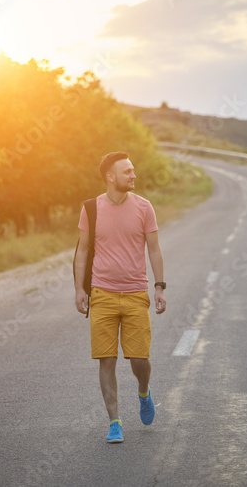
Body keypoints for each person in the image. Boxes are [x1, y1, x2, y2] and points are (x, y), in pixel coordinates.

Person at [74, 152, 166, 443]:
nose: (133, 175)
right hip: (102, 294)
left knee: (140, 358)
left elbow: (153, 249)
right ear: (110, 177)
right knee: (107, 359)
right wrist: (79, 289)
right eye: (127, 172)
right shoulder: (91, 209)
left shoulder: (144, 207)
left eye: (133, 170)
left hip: (136, 293)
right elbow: (83, 252)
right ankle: (114, 421)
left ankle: (143, 392)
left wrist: (159, 286)